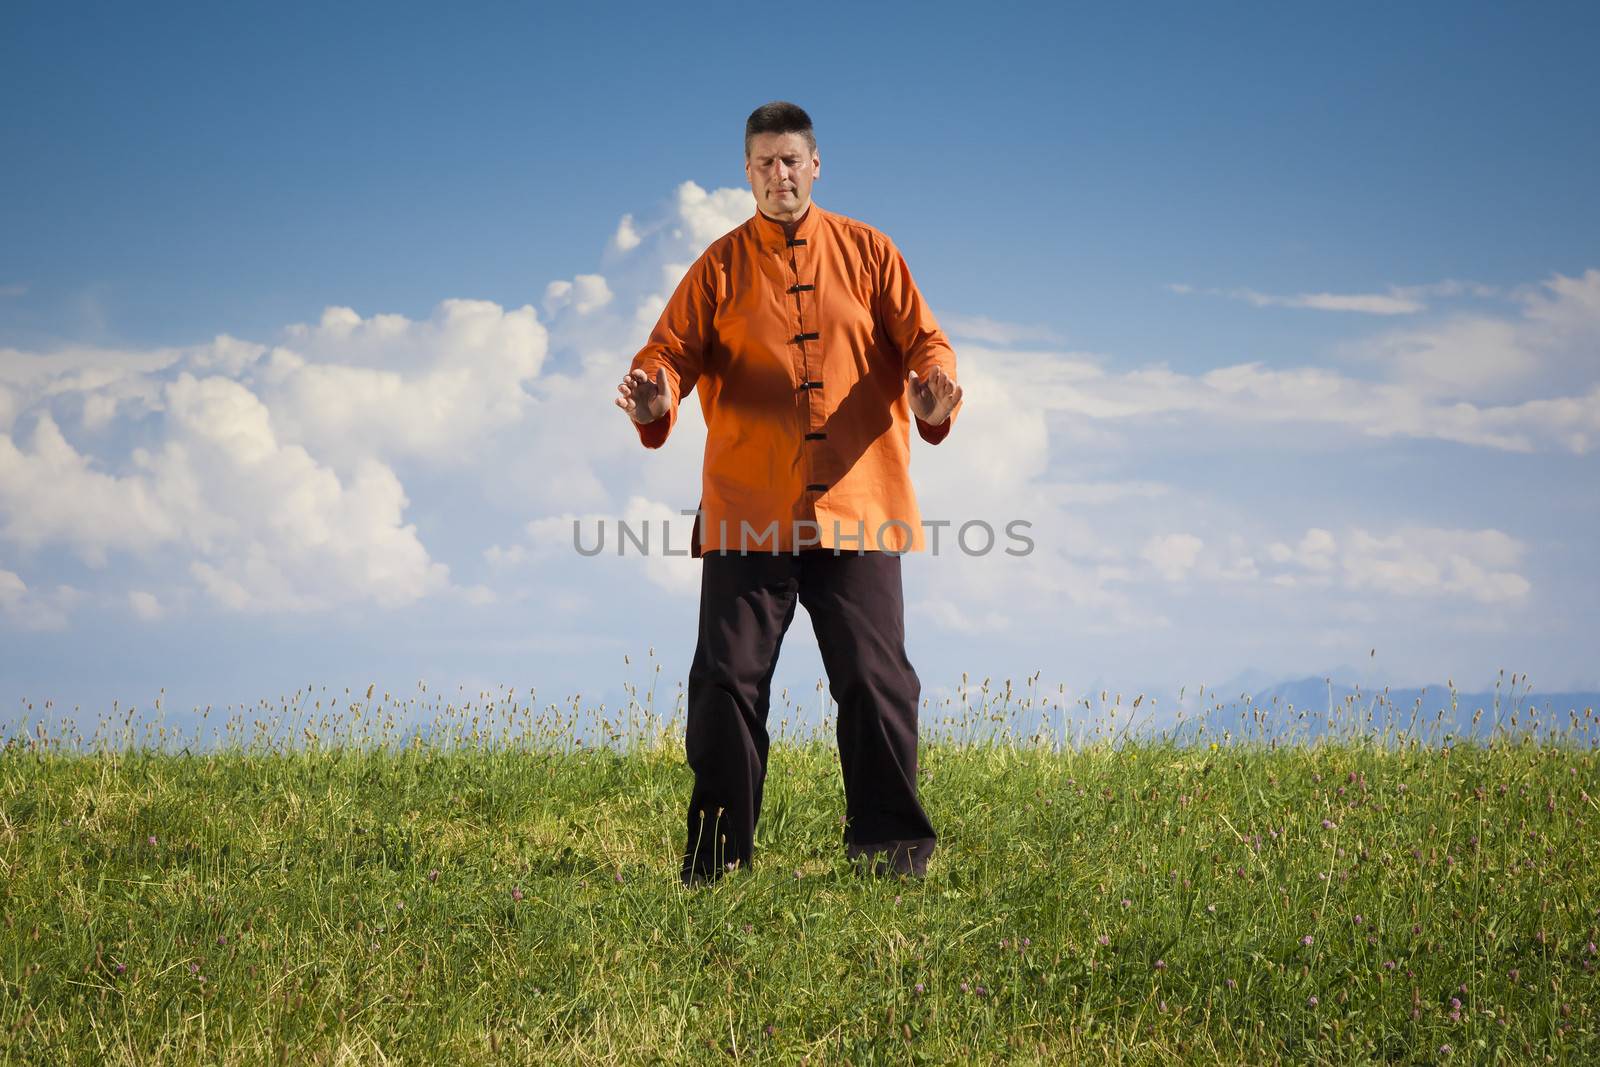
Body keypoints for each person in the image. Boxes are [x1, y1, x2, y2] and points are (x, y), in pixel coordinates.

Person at [613, 101, 963, 886]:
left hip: (859, 507)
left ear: (815, 165)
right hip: (747, 512)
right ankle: (716, 865)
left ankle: (891, 858)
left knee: (877, 684)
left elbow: (926, 342)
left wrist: (936, 394)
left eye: (792, 161)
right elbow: (667, 353)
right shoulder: (719, 266)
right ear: (746, 172)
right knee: (726, 683)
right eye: (764, 162)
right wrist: (656, 396)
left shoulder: (871, 253)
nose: (779, 175)